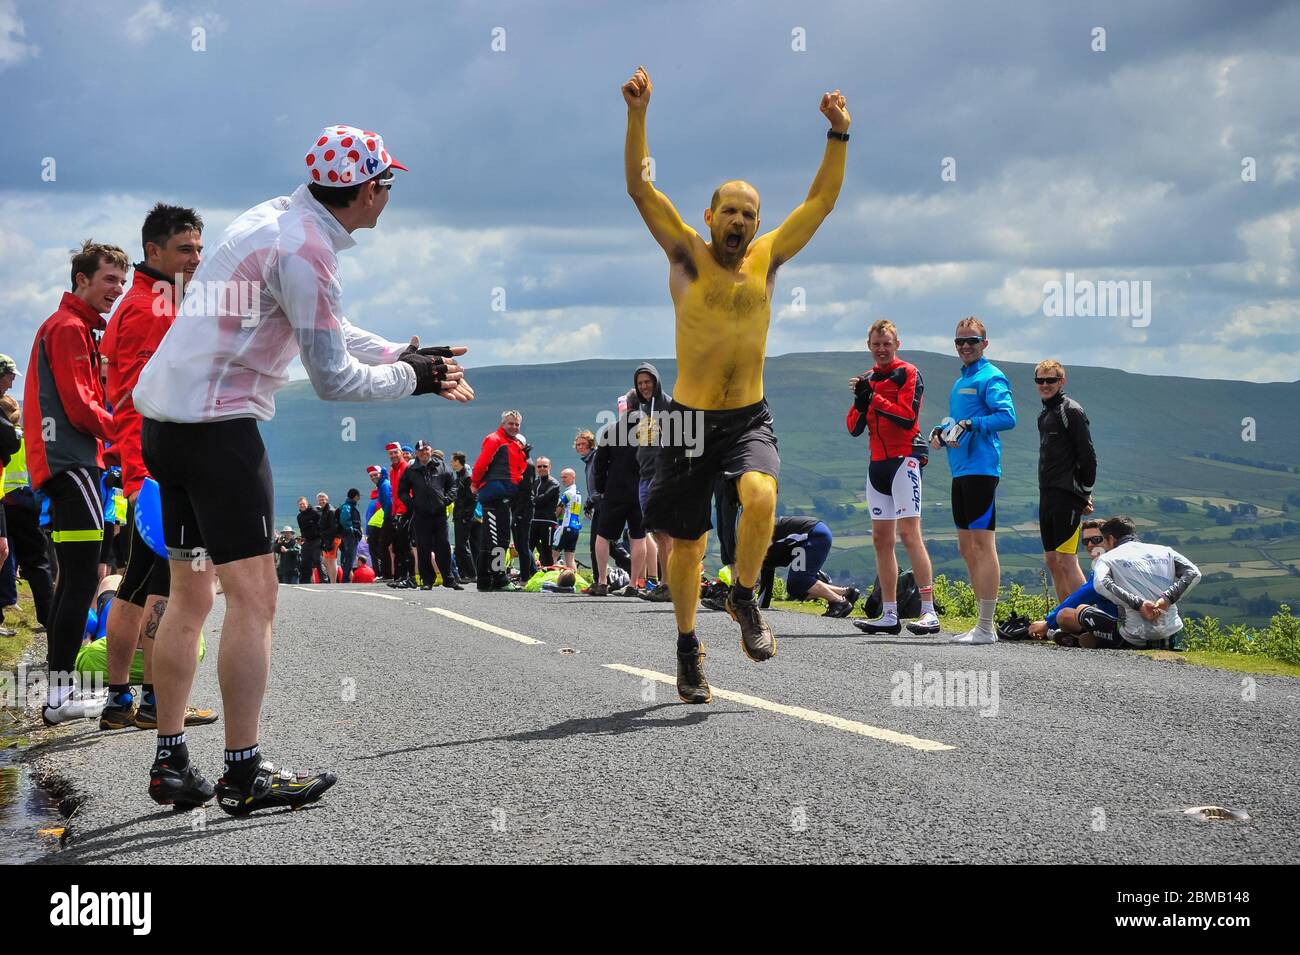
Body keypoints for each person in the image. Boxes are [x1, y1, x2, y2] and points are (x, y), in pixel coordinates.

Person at [131, 124, 472, 814]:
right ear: (367, 189)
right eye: (388, 183)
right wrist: (416, 378)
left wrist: (404, 352)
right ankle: (242, 771)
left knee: (190, 596)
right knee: (255, 602)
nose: (390, 195)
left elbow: (325, 323)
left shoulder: (276, 218)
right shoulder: (310, 248)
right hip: (220, 432)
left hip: (165, 428)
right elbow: (333, 378)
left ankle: (170, 762)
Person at [625, 65, 850, 703]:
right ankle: (689, 647)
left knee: (760, 496)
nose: (740, 222)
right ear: (710, 214)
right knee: (690, 545)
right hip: (688, 421)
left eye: (749, 214)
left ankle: (746, 596)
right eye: (731, 211)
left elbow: (820, 204)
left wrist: (838, 136)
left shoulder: (769, 259)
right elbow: (642, 193)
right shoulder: (687, 257)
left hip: (748, 414)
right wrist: (639, 113)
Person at [99, 203, 218, 731]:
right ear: (154, 251)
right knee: (164, 588)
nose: (195, 259)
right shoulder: (153, 308)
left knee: (134, 584)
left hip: (139, 459)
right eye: (184, 250)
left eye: (198, 248)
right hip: (155, 460)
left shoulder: (145, 299)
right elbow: (153, 392)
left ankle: (121, 701)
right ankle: (151, 702)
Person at [24, 240, 128, 724]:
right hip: (73, 464)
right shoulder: (68, 327)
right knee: (83, 578)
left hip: (65, 466)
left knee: (73, 580)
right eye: (109, 279)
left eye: (122, 281)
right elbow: (80, 404)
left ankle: (57, 695)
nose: (118, 289)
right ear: (81, 280)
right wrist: (127, 434)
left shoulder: (75, 327)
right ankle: (60, 696)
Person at [847, 319, 939, 635]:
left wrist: (872, 397)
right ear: (869, 346)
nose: (882, 349)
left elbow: (906, 416)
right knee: (880, 539)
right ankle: (889, 613)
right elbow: (853, 428)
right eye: (876, 344)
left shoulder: (908, 373)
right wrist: (861, 401)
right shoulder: (867, 379)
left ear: (896, 344)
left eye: (887, 343)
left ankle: (929, 611)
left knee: (909, 534)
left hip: (905, 459)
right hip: (877, 464)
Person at [927, 317, 1016, 645]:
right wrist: (943, 429)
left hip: (981, 470)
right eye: (960, 342)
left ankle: (985, 626)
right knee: (966, 547)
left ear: (984, 343)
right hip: (960, 469)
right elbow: (958, 420)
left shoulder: (991, 376)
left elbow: (1007, 417)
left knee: (982, 545)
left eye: (972, 341)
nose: (965, 346)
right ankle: (982, 625)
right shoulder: (960, 380)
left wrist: (971, 423)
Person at [1035, 359, 1097, 602]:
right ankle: (1063, 619)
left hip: (1067, 494)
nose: (1045, 384)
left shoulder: (1070, 410)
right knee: (1052, 559)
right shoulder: (1045, 413)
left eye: (1051, 380)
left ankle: (1088, 617)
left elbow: (1088, 455)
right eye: (1040, 380)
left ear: (1062, 381)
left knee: (1066, 559)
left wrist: (1085, 492)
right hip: (1047, 493)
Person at [1090, 516, 1201, 650]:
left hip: (1133, 637)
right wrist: (1167, 599)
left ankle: (1085, 640)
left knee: (1078, 613)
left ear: (1111, 539)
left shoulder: (1107, 558)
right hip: (1171, 632)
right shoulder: (1166, 551)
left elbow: (1101, 584)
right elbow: (1193, 573)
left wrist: (1138, 604)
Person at [0, 367, 54, 637]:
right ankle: (48, 616)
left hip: (6, 503)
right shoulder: (25, 435)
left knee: (6, 558)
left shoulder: (10, 435)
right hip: (26, 503)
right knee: (37, 561)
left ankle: (7, 605)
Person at [1026, 519, 1119, 645]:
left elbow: (1084, 595)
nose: (1090, 545)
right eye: (1086, 541)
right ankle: (1082, 638)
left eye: (1096, 540)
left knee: (1064, 615)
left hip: (1118, 623)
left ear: (1109, 540)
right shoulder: (1106, 562)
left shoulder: (1108, 565)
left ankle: (1096, 639)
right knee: (1066, 616)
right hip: (1108, 620)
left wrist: (1048, 623)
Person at [591, 407, 648, 596]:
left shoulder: (610, 430)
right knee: (638, 537)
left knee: (603, 536)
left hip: (614, 490)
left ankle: (601, 581)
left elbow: (600, 463)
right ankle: (633, 584)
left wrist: (600, 488)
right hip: (640, 490)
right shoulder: (650, 429)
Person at [757, 516, 859, 616]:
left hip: (813, 535)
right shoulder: (758, 548)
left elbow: (764, 572)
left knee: (799, 580)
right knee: (794, 588)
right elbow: (767, 573)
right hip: (815, 532)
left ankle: (839, 602)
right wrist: (761, 605)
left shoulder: (757, 543)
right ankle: (846, 593)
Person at [471, 411, 527, 591]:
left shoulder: (513, 443)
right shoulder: (495, 439)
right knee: (498, 539)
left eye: (517, 424)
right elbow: (481, 464)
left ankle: (486, 580)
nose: (514, 427)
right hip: (495, 495)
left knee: (492, 539)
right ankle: (498, 578)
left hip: (504, 494)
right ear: (503, 423)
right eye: (511, 423)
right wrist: (474, 483)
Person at [630, 363, 673, 601]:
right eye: (640, 383)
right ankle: (665, 583)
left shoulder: (668, 405)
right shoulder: (643, 408)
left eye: (647, 381)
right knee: (656, 533)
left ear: (656, 382)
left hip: (661, 477)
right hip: (645, 476)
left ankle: (669, 584)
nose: (644, 386)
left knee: (665, 534)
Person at [399, 439, 460, 589]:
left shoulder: (442, 466)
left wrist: (447, 500)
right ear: (417, 454)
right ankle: (427, 581)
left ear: (430, 450)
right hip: (421, 515)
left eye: (426, 450)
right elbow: (402, 491)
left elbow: (452, 485)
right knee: (423, 548)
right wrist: (413, 505)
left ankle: (449, 579)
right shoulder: (411, 470)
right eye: (420, 451)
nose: (423, 453)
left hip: (439, 514)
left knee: (444, 547)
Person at [383, 441, 414, 587]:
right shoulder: (392, 470)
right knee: (399, 547)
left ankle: (410, 577)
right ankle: (402, 576)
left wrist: (402, 511)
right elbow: (394, 494)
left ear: (401, 453)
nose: (393, 455)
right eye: (391, 453)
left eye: (396, 452)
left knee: (405, 546)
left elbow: (408, 492)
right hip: (398, 512)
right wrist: (395, 512)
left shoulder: (406, 468)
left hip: (407, 511)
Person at [511, 435, 538, 582]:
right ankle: (529, 572)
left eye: (517, 443)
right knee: (520, 544)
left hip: (523, 508)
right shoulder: (520, 461)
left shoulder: (526, 464)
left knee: (522, 544)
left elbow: (526, 491)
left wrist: (519, 512)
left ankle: (526, 576)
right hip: (518, 508)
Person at [450, 451, 477, 582]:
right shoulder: (459, 476)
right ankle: (463, 574)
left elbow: (472, 498)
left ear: (457, 461)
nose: (451, 463)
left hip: (464, 516)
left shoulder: (467, 477)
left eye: (452, 460)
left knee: (463, 545)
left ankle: (472, 574)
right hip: (458, 514)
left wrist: (467, 516)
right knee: (460, 545)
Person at [530, 456, 561, 569]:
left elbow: (543, 499)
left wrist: (530, 500)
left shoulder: (554, 483)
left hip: (548, 521)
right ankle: (529, 572)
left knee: (546, 549)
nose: (542, 468)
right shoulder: (534, 482)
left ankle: (548, 575)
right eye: (539, 466)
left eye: (545, 466)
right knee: (528, 547)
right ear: (536, 468)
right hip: (533, 520)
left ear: (550, 467)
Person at [365, 464, 392, 579]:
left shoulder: (384, 486)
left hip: (383, 521)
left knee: (381, 549)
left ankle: (384, 573)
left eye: (375, 475)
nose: (373, 477)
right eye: (371, 476)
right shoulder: (382, 485)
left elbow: (388, 503)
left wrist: (387, 516)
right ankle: (385, 573)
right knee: (383, 548)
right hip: (381, 521)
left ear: (381, 474)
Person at [554, 467, 583, 570]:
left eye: (565, 477)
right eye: (562, 477)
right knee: (570, 559)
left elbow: (558, 511)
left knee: (553, 555)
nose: (563, 480)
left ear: (573, 477)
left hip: (565, 526)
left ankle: (554, 580)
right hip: (575, 528)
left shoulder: (567, 493)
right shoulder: (578, 493)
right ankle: (575, 582)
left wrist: (554, 515)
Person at [296, 496, 326, 584]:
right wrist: (302, 538)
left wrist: (322, 537)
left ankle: (324, 581)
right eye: (300, 504)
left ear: (307, 503)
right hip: (307, 541)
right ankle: (305, 582)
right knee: (305, 561)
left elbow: (322, 524)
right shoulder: (299, 517)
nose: (302, 505)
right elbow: (302, 529)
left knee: (317, 560)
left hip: (317, 539)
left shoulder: (315, 512)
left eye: (303, 504)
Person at [336, 488, 363, 582]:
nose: (359, 498)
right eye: (359, 496)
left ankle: (345, 577)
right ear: (356, 496)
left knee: (347, 557)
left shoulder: (346, 506)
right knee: (350, 557)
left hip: (345, 535)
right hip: (349, 536)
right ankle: (345, 578)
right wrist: (353, 530)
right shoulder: (348, 506)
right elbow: (344, 520)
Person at [315, 492, 338, 584]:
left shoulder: (330, 511)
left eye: (323, 499)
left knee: (332, 561)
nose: (321, 501)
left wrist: (330, 542)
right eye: (320, 500)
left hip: (333, 539)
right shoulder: (324, 511)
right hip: (326, 539)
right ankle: (331, 580)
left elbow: (333, 528)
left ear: (327, 500)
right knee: (325, 561)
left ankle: (333, 582)